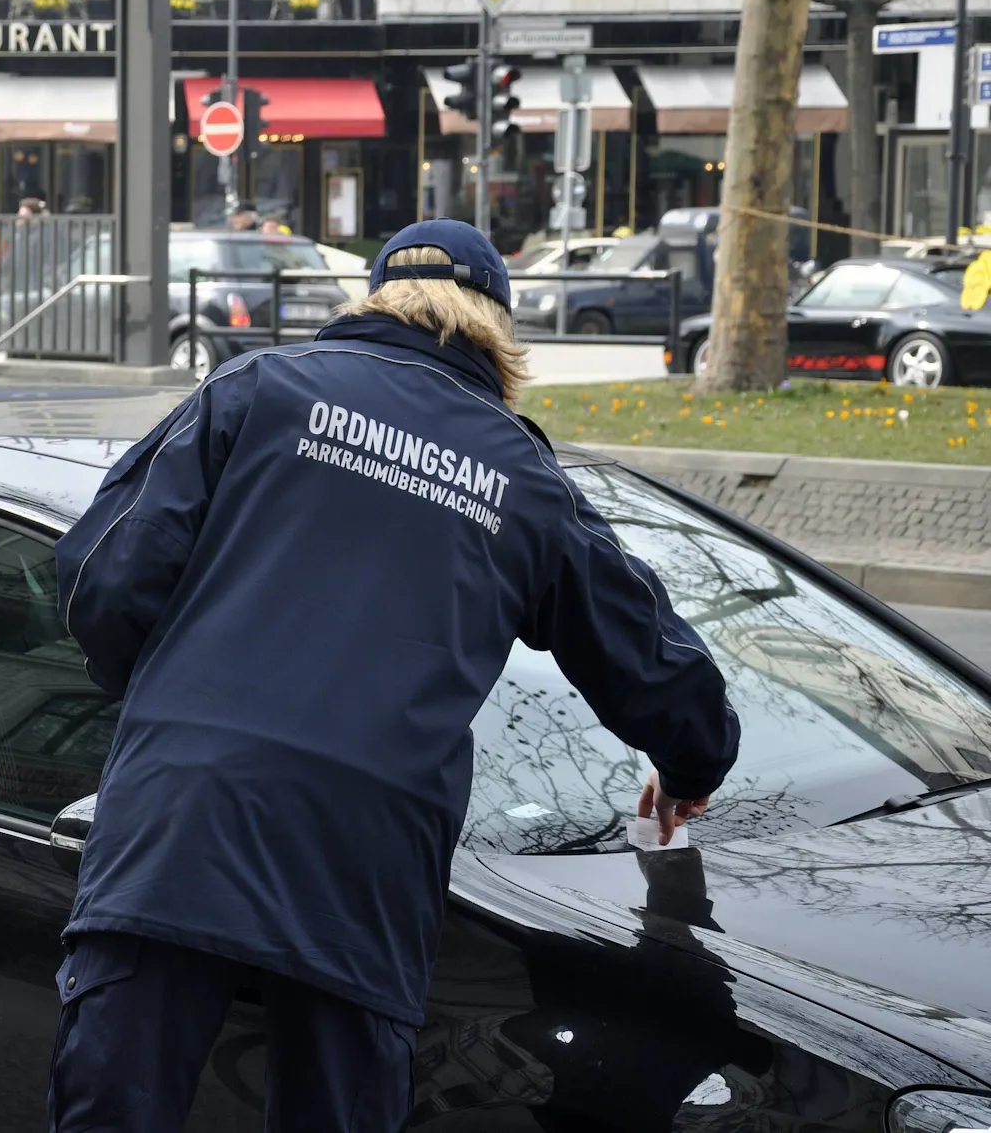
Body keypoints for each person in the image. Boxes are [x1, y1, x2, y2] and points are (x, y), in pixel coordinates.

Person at [48, 217, 740, 1133]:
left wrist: (169, 700)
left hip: (184, 820)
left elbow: (101, 577)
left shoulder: (258, 390)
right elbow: (645, 651)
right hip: (365, 853)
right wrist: (692, 766)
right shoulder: (522, 476)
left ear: (374, 300)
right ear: (498, 326)